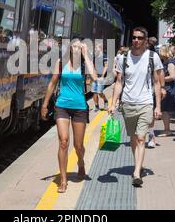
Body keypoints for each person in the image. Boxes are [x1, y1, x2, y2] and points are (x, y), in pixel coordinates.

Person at [41, 37, 97, 193]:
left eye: (80, 47)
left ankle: (80, 162)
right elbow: (52, 83)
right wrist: (45, 105)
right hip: (62, 106)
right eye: (74, 47)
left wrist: (86, 55)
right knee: (63, 141)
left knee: (78, 145)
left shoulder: (85, 64)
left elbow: (95, 78)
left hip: (79, 107)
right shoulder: (61, 62)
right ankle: (64, 180)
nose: (76, 49)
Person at [109, 27, 163, 187]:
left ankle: (137, 173)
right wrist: (113, 103)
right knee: (133, 138)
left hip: (146, 102)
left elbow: (157, 83)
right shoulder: (123, 58)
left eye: (140, 38)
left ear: (145, 41)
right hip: (127, 103)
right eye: (134, 37)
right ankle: (137, 163)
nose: (136, 40)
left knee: (141, 137)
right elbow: (119, 82)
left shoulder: (153, 57)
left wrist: (158, 106)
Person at [158, 45, 175, 137]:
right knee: (163, 109)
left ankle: (167, 130)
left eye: (160, 51)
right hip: (167, 88)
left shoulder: (170, 62)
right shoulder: (166, 61)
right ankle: (167, 129)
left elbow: (172, 76)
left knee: (164, 109)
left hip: (168, 89)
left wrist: (160, 79)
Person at [92, 42, 108, 111]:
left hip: (101, 77)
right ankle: (96, 106)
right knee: (94, 91)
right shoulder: (94, 57)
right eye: (95, 47)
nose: (95, 49)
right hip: (95, 76)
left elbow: (106, 66)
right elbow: (92, 66)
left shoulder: (105, 56)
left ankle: (105, 100)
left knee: (99, 92)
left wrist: (102, 76)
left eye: (96, 47)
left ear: (100, 48)